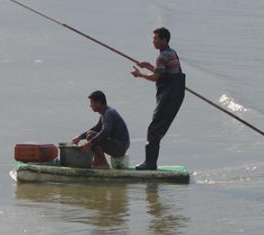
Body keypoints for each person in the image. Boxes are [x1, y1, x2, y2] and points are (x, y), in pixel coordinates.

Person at [130, 27, 185, 170]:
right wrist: (147, 65)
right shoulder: (171, 53)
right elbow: (161, 72)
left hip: (169, 95)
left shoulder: (162, 56)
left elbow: (156, 77)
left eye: (155, 38)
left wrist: (140, 75)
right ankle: (151, 162)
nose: (153, 41)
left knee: (154, 129)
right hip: (176, 95)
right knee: (157, 129)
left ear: (164, 40)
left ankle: (150, 164)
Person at [71, 90, 130, 169]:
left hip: (120, 146)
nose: (90, 105)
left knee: (91, 136)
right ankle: (97, 161)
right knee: (91, 134)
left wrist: (89, 144)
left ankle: (103, 163)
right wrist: (79, 137)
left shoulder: (108, 113)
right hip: (119, 145)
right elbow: (96, 128)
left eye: (91, 103)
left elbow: (105, 132)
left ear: (98, 103)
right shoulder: (104, 114)